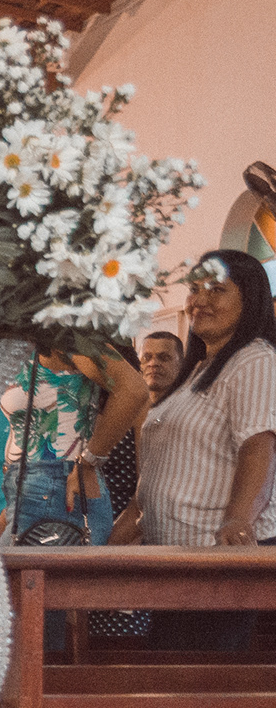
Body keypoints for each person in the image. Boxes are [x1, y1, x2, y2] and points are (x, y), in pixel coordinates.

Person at [116, 249, 276, 649]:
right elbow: (160, 470)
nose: (199, 300)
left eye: (217, 289)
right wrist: (122, 530)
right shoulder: (198, 371)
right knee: (168, 672)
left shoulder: (254, 359)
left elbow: (258, 445)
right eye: (194, 289)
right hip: (175, 557)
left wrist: (236, 521)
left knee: (201, 676)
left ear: (250, 300)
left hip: (216, 559)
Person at [0, 345, 149, 547]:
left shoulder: (65, 339)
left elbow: (134, 390)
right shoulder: (34, 344)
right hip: (32, 493)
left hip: (58, 492)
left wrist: (88, 461)